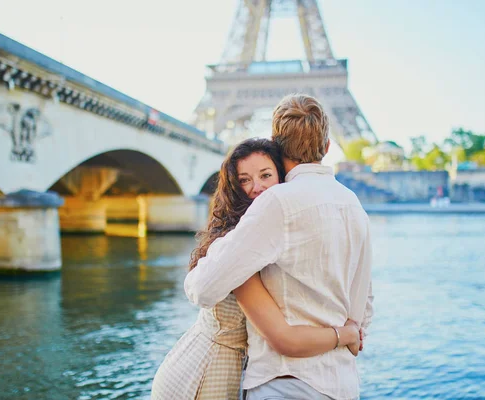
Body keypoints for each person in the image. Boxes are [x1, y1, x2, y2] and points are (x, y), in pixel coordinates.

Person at [185, 94, 374, 400]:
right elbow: (364, 308)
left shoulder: (278, 202)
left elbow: (203, 288)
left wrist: (224, 243)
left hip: (286, 383)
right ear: (327, 148)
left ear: (277, 144)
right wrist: (345, 334)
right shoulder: (354, 206)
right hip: (343, 386)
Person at [151, 138, 363, 400]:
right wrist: (347, 334)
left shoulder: (270, 236)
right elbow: (284, 338)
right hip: (204, 375)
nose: (256, 187)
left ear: (282, 177)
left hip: (218, 370)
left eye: (265, 175)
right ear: (234, 187)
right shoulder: (242, 248)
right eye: (244, 180)